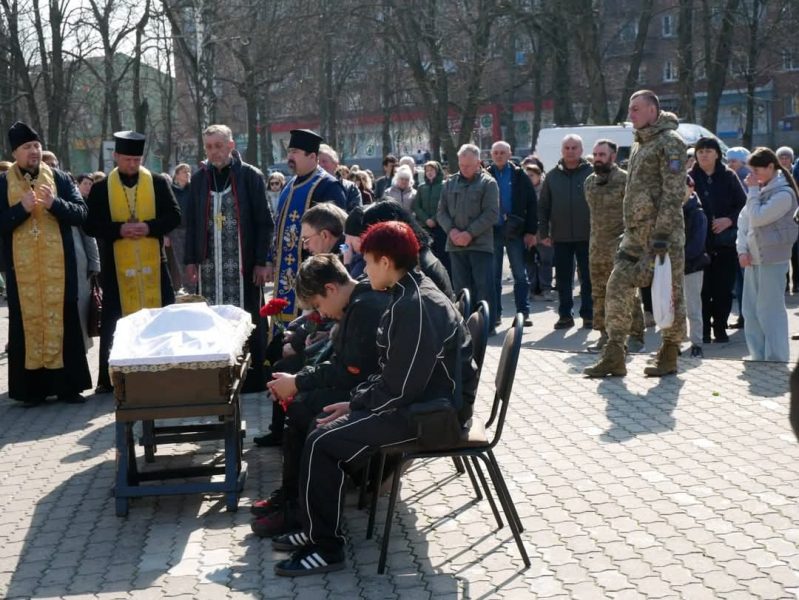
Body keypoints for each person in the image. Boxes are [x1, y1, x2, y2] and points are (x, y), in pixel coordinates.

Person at [272, 221, 466, 577]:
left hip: (430, 416)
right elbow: (394, 375)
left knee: (321, 441)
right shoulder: (407, 294)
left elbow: (400, 387)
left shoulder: (415, 304)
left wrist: (357, 405)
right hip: (420, 405)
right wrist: (354, 403)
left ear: (387, 262)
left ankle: (326, 548)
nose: (363, 270)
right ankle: (316, 527)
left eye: (368, 261)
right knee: (323, 431)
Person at [250, 254, 390, 538]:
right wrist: (300, 380)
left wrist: (299, 382)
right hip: (365, 386)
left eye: (318, 305)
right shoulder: (357, 301)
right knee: (300, 406)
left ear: (330, 289)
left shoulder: (364, 307)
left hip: (373, 395)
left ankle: (300, 508)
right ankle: (293, 499)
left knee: (304, 410)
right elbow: (344, 366)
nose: (321, 314)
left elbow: (348, 371)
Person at [584, 90, 687, 378]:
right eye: (630, 109)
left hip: (662, 237)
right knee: (617, 284)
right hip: (634, 235)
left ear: (653, 110)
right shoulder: (641, 142)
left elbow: (674, 192)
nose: (631, 114)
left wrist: (662, 234)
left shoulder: (671, 143)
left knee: (670, 292)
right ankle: (615, 352)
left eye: (636, 109)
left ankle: (669, 352)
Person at [0, 121, 92, 404]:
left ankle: (67, 387)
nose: (34, 152)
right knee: (27, 324)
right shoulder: (2, 183)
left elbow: (82, 214)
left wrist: (55, 204)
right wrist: (20, 210)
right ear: (15, 152)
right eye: (27, 147)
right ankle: (31, 391)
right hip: (21, 273)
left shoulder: (61, 178)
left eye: (37, 146)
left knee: (63, 321)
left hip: (59, 271)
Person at [85, 131, 181, 394]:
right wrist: (119, 230)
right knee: (116, 319)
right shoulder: (102, 188)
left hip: (154, 264)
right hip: (116, 267)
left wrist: (149, 227)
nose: (131, 165)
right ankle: (112, 378)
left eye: (136, 159)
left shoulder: (158, 182)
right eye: (127, 159)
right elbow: (90, 224)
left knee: (162, 315)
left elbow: (175, 216)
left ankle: (167, 369)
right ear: (116, 157)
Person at [184, 124, 274, 392]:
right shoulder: (200, 180)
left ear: (231, 146)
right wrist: (190, 260)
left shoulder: (250, 176)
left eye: (219, 146)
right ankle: (217, 375)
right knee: (211, 318)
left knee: (247, 316)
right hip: (210, 266)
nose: (214, 152)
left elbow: (264, 222)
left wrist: (262, 260)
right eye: (209, 147)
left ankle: (253, 376)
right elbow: (192, 223)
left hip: (243, 265)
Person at [268, 129, 348, 329]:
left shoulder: (328, 186)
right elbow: (278, 227)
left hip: (313, 275)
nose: (289, 157)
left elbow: (337, 235)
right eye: (289, 151)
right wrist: (270, 259)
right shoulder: (290, 185)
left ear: (312, 156)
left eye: (295, 152)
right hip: (285, 274)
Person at [737, 147, 799, 362]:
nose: (752, 175)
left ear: (771, 167)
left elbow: (758, 218)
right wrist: (742, 250)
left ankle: (776, 358)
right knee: (751, 311)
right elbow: (743, 223)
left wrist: (752, 191)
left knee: (770, 311)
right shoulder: (760, 190)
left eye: (756, 170)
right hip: (752, 260)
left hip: (773, 260)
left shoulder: (784, 194)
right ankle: (758, 355)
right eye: (750, 171)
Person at [584, 139, 644, 353]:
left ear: (613, 156)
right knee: (599, 293)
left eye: (602, 154)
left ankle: (636, 334)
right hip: (596, 248)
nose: (598, 158)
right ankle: (604, 335)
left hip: (621, 247)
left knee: (626, 292)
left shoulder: (625, 181)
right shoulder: (590, 182)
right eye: (596, 154)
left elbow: (635, 215)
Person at [689, 137, 746, 344]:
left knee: (723, 289)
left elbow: (743, 205)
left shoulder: (729, 176)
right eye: (700, 151)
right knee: (701, 291)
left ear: (717, 154)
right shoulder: (689, 177)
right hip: (698, 245)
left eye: (708, 150)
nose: (704, 154)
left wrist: (728, 220)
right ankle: (703, 330)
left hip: (725, 243)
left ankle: (720, 327)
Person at [436, 143, 499, 327]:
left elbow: (491, 213)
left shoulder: (488, 183)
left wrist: (469, 233)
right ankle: (466, 325)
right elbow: (441, 212)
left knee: (484, 288)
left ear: (478, 162)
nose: (464, 169)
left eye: (468, 165)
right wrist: (452, 231)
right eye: (461, 165)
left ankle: (486, 324)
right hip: (455, 244)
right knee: (462, 289)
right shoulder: (449, 183)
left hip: (480, 245)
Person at [538, 134, 594, 330]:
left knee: (588, 277)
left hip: (588, 235)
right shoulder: (552, 176)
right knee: (563, 279)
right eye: (567, 148)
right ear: (562, 151)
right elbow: (543, 207)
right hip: (560, 237)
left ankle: (589, 315)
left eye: (574, 148)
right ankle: (564, 315)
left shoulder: (592, 173)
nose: (570, 151)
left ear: (581, 150)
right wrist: (543, 233)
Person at [487, 141, 537, 328]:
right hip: (492, 231)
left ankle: (523, 312)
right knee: (494, 276)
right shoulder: (485, 174)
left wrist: (531, 231)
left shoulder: (519, 175)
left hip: (515, 231)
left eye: (502, 152)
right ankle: (496, 314)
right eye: (496, 152)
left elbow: (532, 203)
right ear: (492, 155)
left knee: (519, 274)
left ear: (509, 154)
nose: (499, 155)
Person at [73, 173, 101, 353]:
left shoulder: (70, 194)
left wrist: (94, 262)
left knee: (79, 313)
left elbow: (87, 232)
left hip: (76, 264)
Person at [683, 175, 710, 358]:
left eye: (682, 187)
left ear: (691, 189)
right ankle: (673, 342)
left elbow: (697, 244)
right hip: (670, 266)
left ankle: (696, 343)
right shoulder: (667, 211)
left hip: (691, 266)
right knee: (672, 307)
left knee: (693, 305)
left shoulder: (697, 213)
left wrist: (679, 258)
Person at [411, 160, 449, 273]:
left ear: (437, 171)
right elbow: (416, 206)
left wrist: (434, 219)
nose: (429, 172)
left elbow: (446, 205)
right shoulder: (422, 187)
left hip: (441, 226)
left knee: (443, 256)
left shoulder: (444, 185)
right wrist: (426, 219)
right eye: (427, 170)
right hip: (425, 227)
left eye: (432, 170)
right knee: (427, 257)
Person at [317, 144, 362, 212]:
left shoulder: (350, 188)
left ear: (335, 164)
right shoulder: (312, 187)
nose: (320, 165)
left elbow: (356, 214)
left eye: (324, 161)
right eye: (317, 162)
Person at [168, 163, 191, 292]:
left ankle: (194, 286)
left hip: (192, 230)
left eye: (188, 171)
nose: (187, 174)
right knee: (180, 261)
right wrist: (166, 234)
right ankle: (187, 287)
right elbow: (166, 211)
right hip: (176, 231)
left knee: (193, 261)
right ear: (176, 175)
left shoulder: (193, 189)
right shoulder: (171, 190)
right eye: (183, 171)